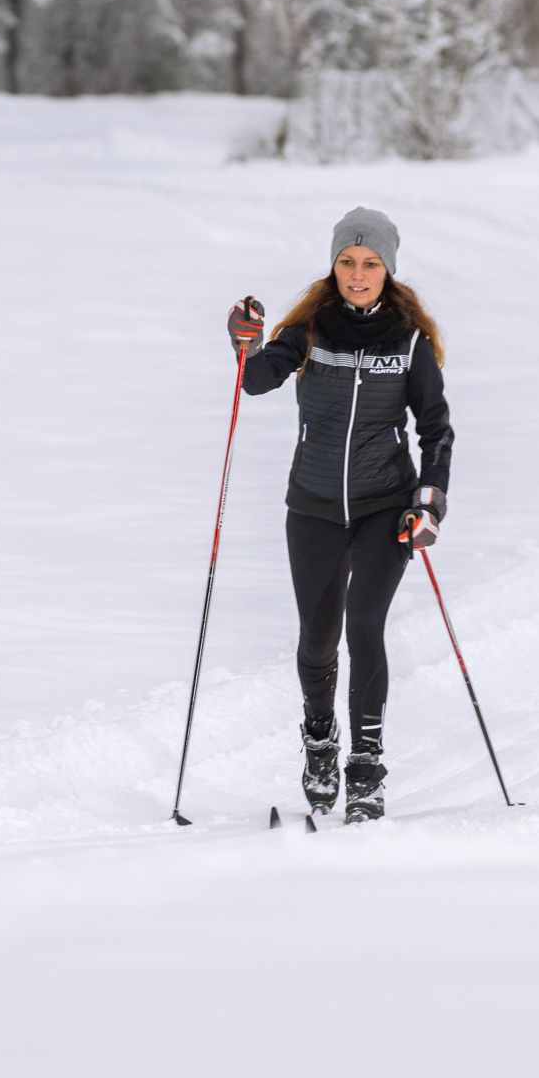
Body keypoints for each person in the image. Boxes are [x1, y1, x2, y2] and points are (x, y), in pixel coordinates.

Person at [226, 207, 453, 822]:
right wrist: (247, 346)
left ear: (388, 269)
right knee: (317, 638)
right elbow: (259, 380)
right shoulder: (310, 330)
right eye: (347, 262)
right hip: (314, 507)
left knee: (365, 628)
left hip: (386, 508)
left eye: (370, 264)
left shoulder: (409, 343)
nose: (357, 274)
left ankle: (366, 768)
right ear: (333, 265)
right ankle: (321, 742)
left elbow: (435, 431)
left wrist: (429, 500)